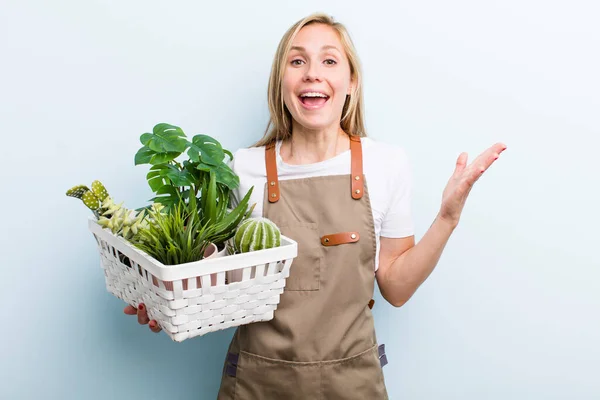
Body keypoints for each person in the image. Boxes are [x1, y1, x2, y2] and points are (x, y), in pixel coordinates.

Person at [126, 12, 506, 399]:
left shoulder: (385, 163)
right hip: (257, 384)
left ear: (351, 84)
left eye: (329, 60)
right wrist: (166, 303)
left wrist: (447, 218)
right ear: (282, 82)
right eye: (297, 61)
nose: (312, 73)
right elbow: (220, 284)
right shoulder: (243, 168)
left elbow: (396, 288)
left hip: (352, 384)